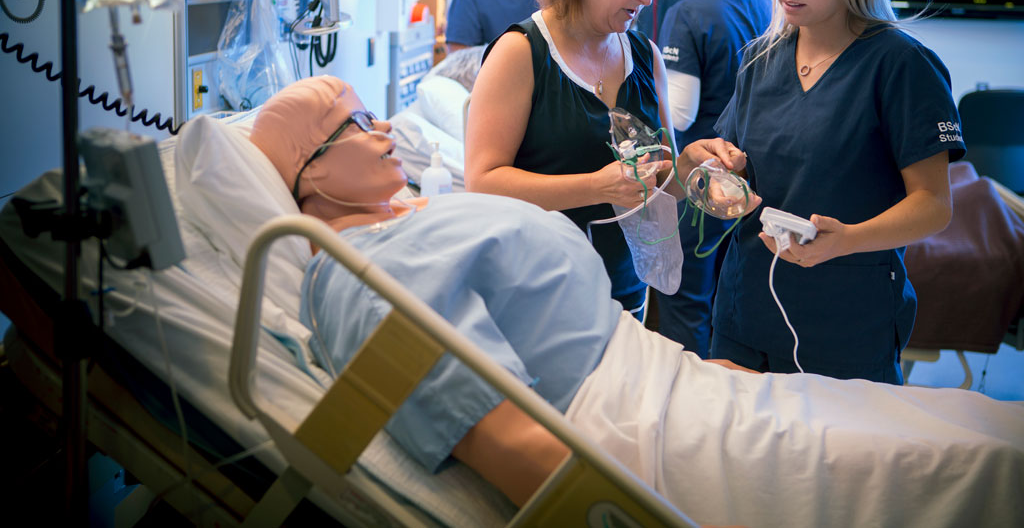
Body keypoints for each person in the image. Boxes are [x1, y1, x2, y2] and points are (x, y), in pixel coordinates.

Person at [247, 75, 1023, 527]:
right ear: (308, 171)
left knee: (958, 428)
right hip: (636, 431)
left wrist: (695, 374)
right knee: (964, 466)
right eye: (353, 122)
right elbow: (508, 439)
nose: (384, 128)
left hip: (667, 382)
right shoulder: (357, 277)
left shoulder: (415, 218)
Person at [708, 0, 967, 383]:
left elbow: (934, 206)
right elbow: (734, 176)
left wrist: (847, 239)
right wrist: (709, 165)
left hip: (845, 325)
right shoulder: (759, 61)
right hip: (744, 311)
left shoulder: (901, 65)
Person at [464, 0, 740, 316]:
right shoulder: (521, 52)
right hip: (538, 298)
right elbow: (482, 182)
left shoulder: (645, 57)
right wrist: (594, 185)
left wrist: (689, 166)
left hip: (625, 294)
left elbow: (658, 183)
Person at [652, 0, 772, 357]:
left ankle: (688, 409)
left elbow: (680, 114)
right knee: (730, 297)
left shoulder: (689, 11)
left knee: (686, 300)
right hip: (748, 175)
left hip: (703, 176)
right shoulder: (763, 4)